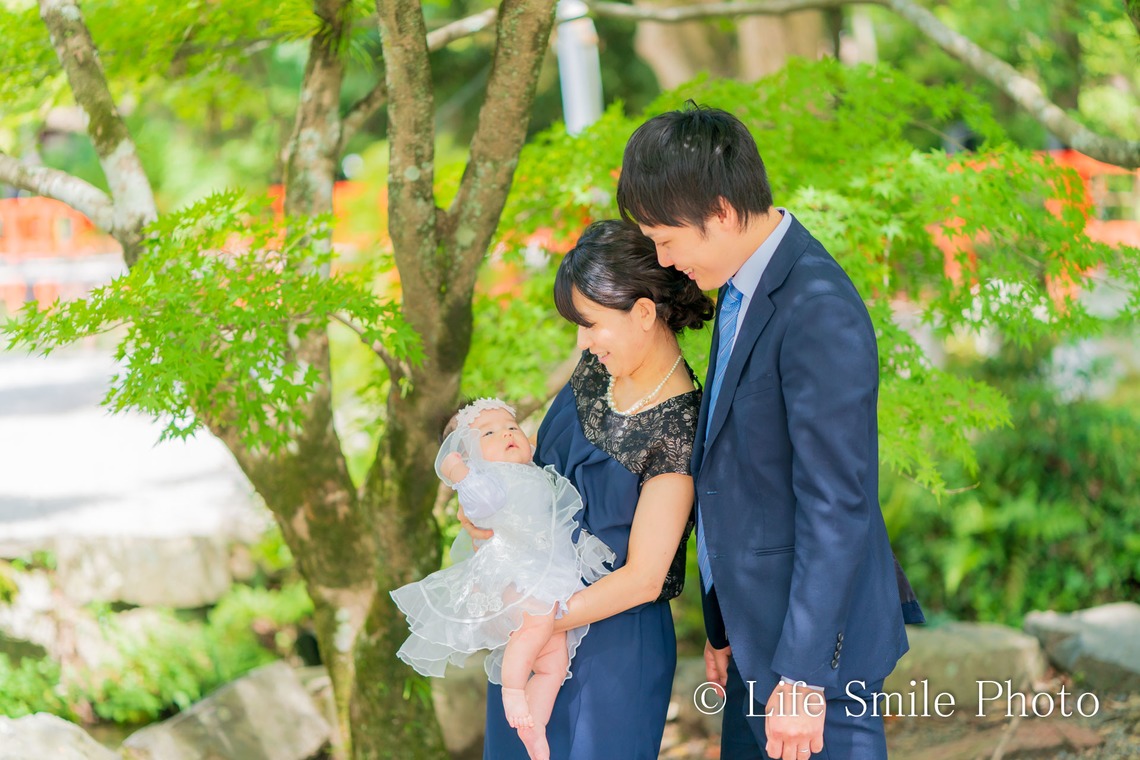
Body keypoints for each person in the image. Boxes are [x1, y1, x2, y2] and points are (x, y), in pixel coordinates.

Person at [616, 102, 923, 760]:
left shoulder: (818, 308)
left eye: (668, 239)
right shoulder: (738, 283)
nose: (664, 260)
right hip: (755, 641)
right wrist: (723, 623)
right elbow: (738, 468)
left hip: (814, 662)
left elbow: (836, 503)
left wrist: (804, 678)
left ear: (721, 212)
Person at [462, 219, 715, 758]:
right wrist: (488, 516)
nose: (582, 339)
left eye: (591, 323)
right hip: (529, 627)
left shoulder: (680, 427)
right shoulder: (596, 370)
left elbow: (645, 579)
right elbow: (536, 478)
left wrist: (541, 620)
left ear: (643, 313)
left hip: (611, 650)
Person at [390, 398, 614, 760]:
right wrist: (464, 476)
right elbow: (482, 504)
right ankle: (512, 691)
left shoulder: (532, 470)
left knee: (554, 662)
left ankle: (534, 728)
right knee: (537, 623)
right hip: (517, 571)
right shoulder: (491, 479)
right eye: (489, 432)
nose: (507, 433)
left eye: (511, 427)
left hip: (547, 570)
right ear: (469, 456)